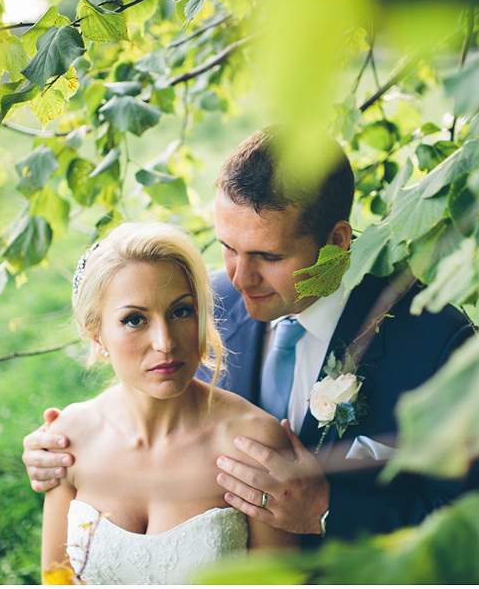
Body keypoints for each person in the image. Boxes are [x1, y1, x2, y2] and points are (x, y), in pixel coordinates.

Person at [25, 125, 479, 549]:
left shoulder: (440, 347)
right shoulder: (198, 308)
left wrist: (329, 511)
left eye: (268, 257)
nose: (239, 278)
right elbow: (150, 399)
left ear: (337, 243)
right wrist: (64, 450)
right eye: (226, 248)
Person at [39, 221, 297, 584]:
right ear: (97, 336)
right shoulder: (67, 440)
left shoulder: (253, 444)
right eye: (134, 320)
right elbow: (56, 578)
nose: (165, 342)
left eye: (180, 311)